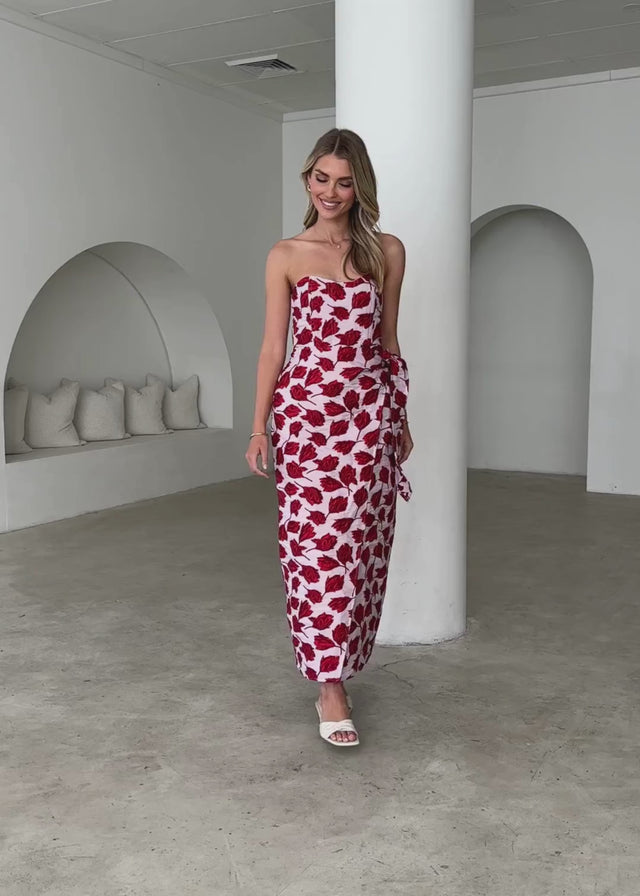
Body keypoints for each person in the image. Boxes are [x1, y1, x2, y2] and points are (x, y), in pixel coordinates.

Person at [246, 128, 413, 747]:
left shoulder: (386, 252)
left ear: (360, 186)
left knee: (361, 547)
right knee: (316, 551)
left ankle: (343, 662)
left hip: (368, 417)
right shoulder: (286, 254)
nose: (332, 192)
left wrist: (400, 419)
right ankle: (329, 686)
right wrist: (259, 426)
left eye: (345, 182)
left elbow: (388, 343)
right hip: (306, 420)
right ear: (307, 179)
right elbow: (274, 347)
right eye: (322, 178)